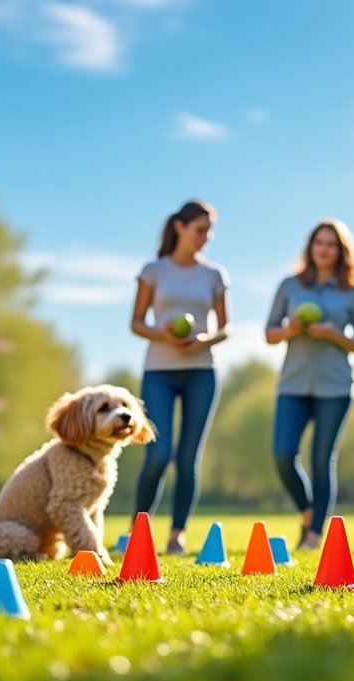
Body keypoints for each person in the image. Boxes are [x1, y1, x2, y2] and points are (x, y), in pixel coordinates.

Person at [130, 200, 230, 555]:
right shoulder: (153, 271)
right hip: (159, 371)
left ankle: (176, 535)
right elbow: (137, 322)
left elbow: (226, 327)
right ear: (180, 228)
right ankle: (137, 531)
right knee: (157, 454)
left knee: (188, 458)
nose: (206, 237)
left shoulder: (214, 274)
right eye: (200, 230)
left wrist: (203, 339)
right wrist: (165, 335)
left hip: (202, 372)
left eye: (209, 231)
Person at [266, 219, 354, 550]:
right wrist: (290, 329)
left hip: (336, 387)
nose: (324, 249)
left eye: (331, 244)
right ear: (310, 248)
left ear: (341, 252)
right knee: (283, 454)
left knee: (322, 460)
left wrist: (334, 335)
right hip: (293, 384)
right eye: (319, 243)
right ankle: (308, 513)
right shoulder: (290, 286)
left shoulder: (353, 294)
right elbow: (270, 333)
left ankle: (313, 537)